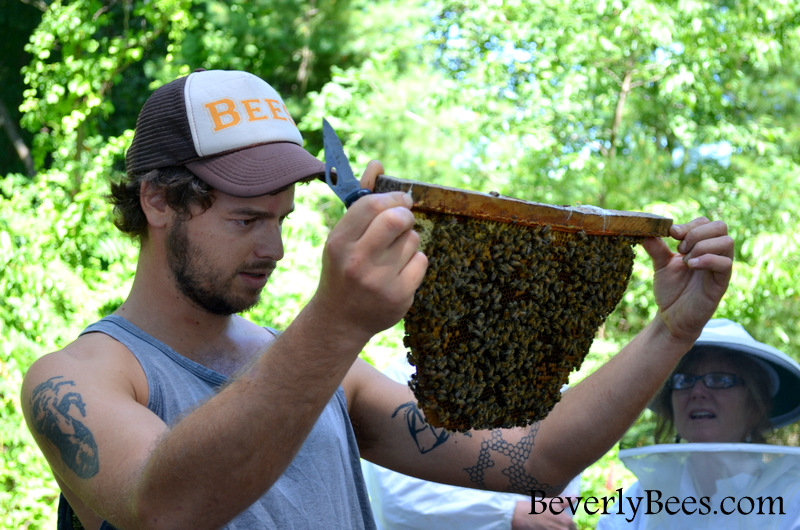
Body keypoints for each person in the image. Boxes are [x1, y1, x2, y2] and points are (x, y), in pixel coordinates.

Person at [20, 68, 734, 530]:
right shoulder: (76, 380)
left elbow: (532, 461)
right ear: (156, 200)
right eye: (245, 220)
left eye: (281, 219)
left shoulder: (319, 371)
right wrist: (337, 320)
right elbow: (165, 507)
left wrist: (671, 332)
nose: (271, 248)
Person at [597, 318, 800, 529]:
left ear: (756, 404)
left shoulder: (793, 500)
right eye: (684, 380)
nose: (697, 392)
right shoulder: (639, 501)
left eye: (720, 380)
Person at [361, 358, 581, 530]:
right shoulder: (402, 378)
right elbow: (399, 502)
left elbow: (560, 489)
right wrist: (508, 513)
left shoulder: (550, 387)